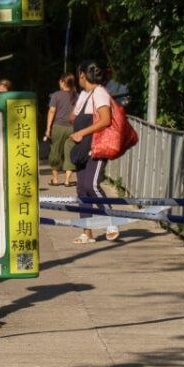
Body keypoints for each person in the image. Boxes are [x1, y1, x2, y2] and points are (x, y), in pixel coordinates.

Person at [69, 60, 115, 244]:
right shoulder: (85, 95)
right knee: (81, 189)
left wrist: (82, 132)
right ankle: (86, 232)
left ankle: (112, 221)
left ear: (82, 74)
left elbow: (106, 120)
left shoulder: (100, 92)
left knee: (92, 185)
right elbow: (74, 116)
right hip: (82, 148)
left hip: (96, 147)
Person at [43, 73, 78, 186]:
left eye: (59, 81)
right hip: (72, 128)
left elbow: (52, 111)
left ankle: (56, 179)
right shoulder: (76, 96)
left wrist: (48, 129)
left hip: (58, 127)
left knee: (55, 152)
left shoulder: (56, 95)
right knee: (69, 153)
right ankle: (67, 181)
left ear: (63, 82)